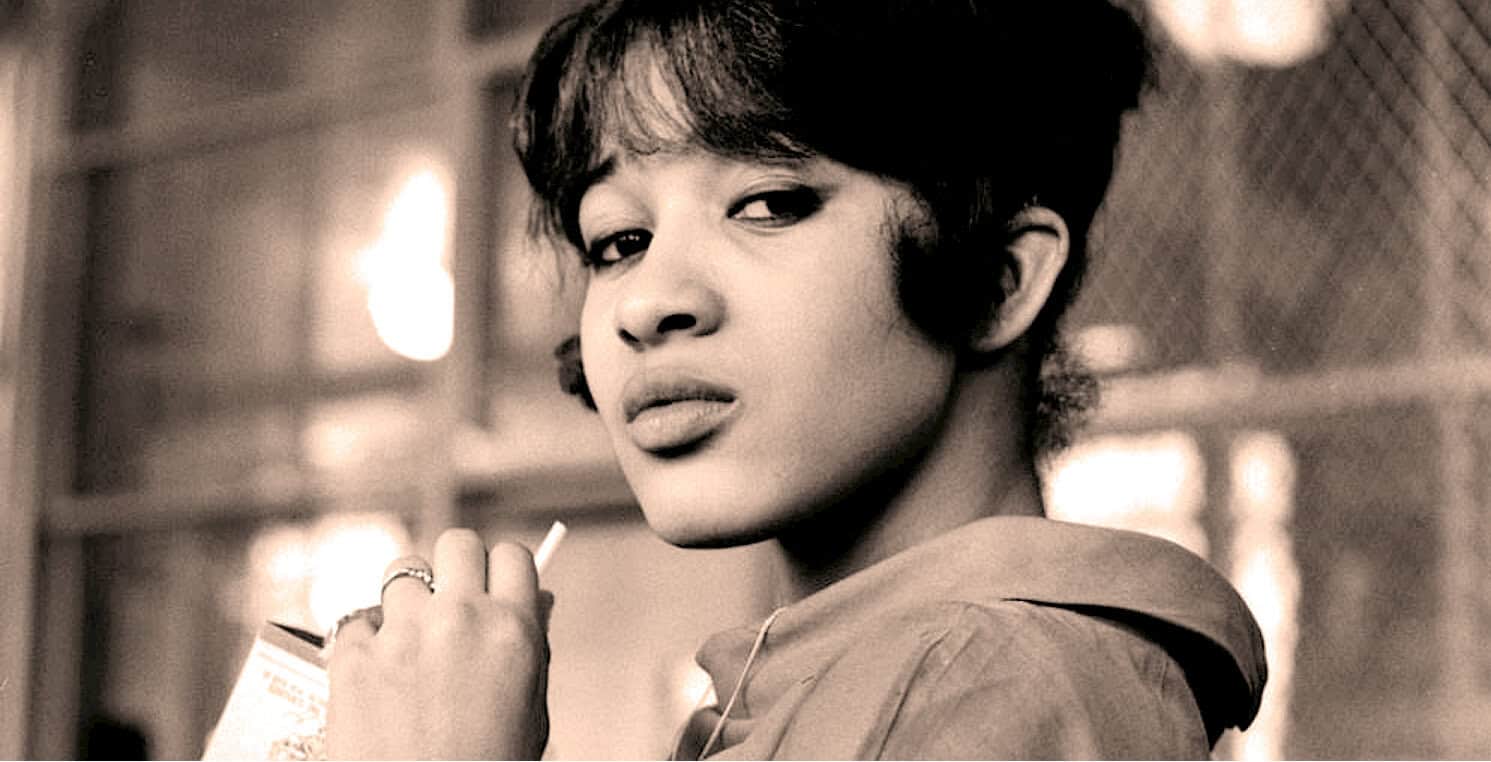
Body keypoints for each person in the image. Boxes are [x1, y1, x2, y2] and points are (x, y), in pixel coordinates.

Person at [323, 0, 1268, 758]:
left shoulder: (971, 681)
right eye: (619, 241)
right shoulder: (870, 678)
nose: (647, 302)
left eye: (768, 204)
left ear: (995, 281)